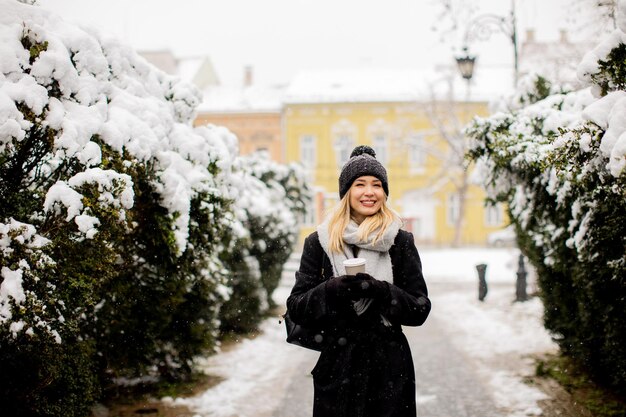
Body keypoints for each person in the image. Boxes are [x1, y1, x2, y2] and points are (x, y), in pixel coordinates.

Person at [287, 145, 431, 417]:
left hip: (389, 367)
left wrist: (381, 291)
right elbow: (296, 306)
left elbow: (420, 308)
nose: (369, 192)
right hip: (338, 365)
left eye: (377, 185)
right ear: (346, 193)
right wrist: (331, 289)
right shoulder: (319, 242)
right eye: (360, 184)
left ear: (384, 193)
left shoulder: (400, 241)